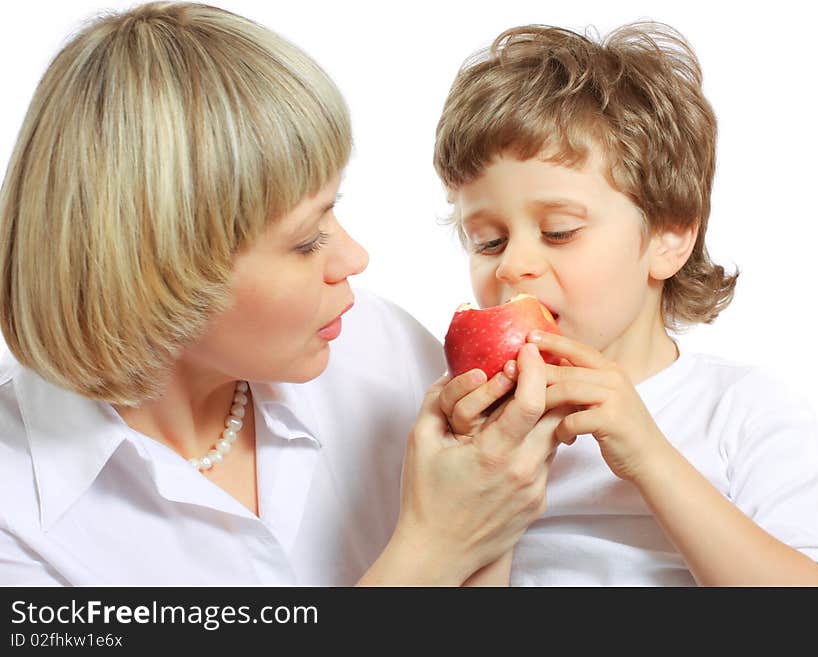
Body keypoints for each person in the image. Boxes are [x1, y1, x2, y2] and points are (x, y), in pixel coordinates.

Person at [0, 1, 560, 586]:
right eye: (305, 241)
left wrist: (493, 515)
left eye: (333, 210)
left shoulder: (381, 351)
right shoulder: (17, 513)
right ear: (160, 268)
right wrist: (432, 549)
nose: (354, 259)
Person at [431, 22, 818, 586]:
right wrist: (493, 472)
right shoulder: (466, 426)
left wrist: (649, 457)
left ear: (668, 238)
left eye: (559, 231)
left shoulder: (745, 413)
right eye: (488, 241)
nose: (512, 265)